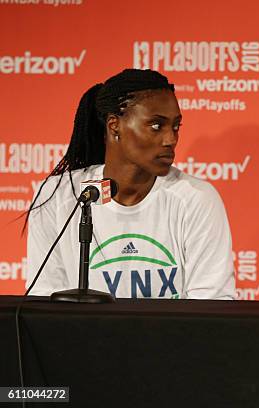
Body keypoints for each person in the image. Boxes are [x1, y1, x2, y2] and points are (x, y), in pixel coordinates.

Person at [26, 69, 235, 300]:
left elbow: (212, 306)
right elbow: (43, 299)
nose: (171, 139)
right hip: (85, 337)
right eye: (156, 125)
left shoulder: (196, 198)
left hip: (171, 337)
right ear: (115, 125)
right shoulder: (58, 195)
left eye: (176, 126)